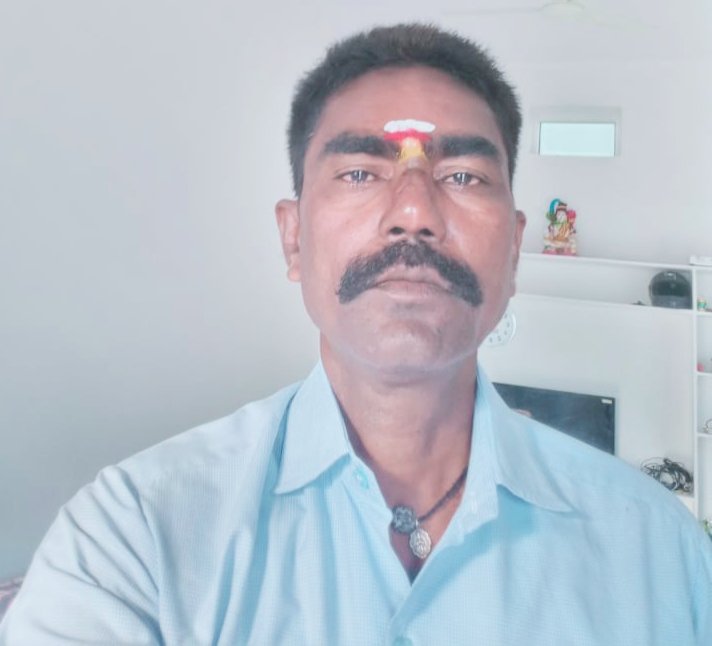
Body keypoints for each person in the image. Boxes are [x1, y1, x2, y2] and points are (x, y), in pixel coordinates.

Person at [1, 23, 710, 645]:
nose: (413, 213)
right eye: (361, 171)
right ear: (293, 238)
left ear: (517, 248)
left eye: (463, 176)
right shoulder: (131, 542)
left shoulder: (660, 553)